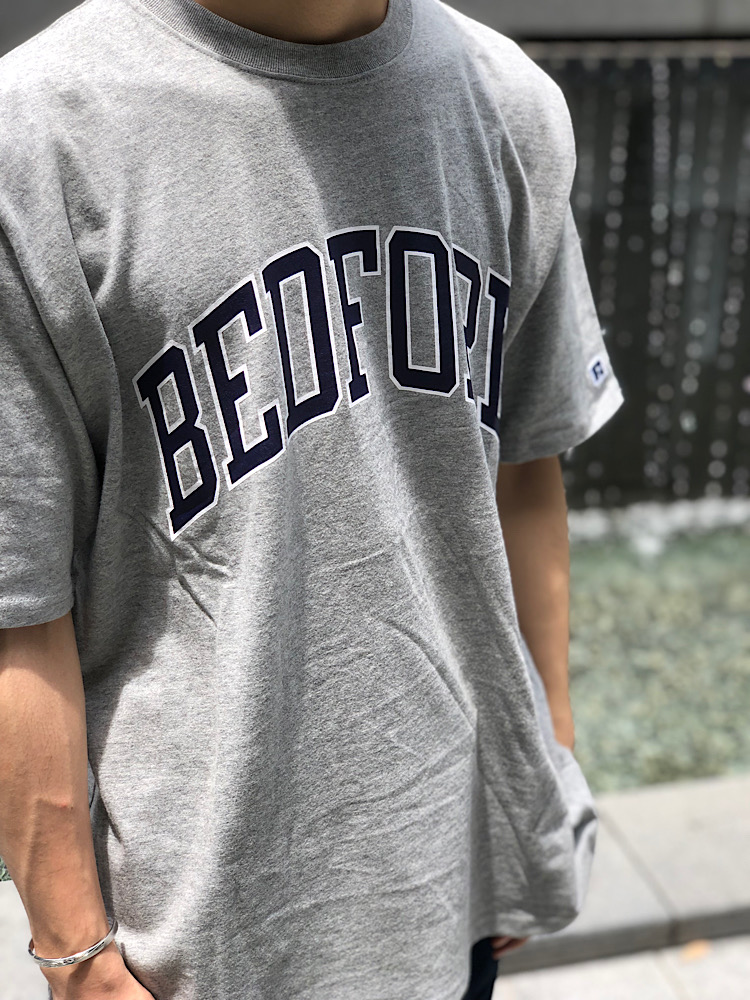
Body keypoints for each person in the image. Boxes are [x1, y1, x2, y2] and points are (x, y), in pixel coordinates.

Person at [0, 0, 625, 997]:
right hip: (199, 938)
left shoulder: (509, 103)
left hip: (452, 887)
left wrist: (540, 760)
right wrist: (77, 959)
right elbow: (20, 600)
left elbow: (524, 467)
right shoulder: (36, 134)